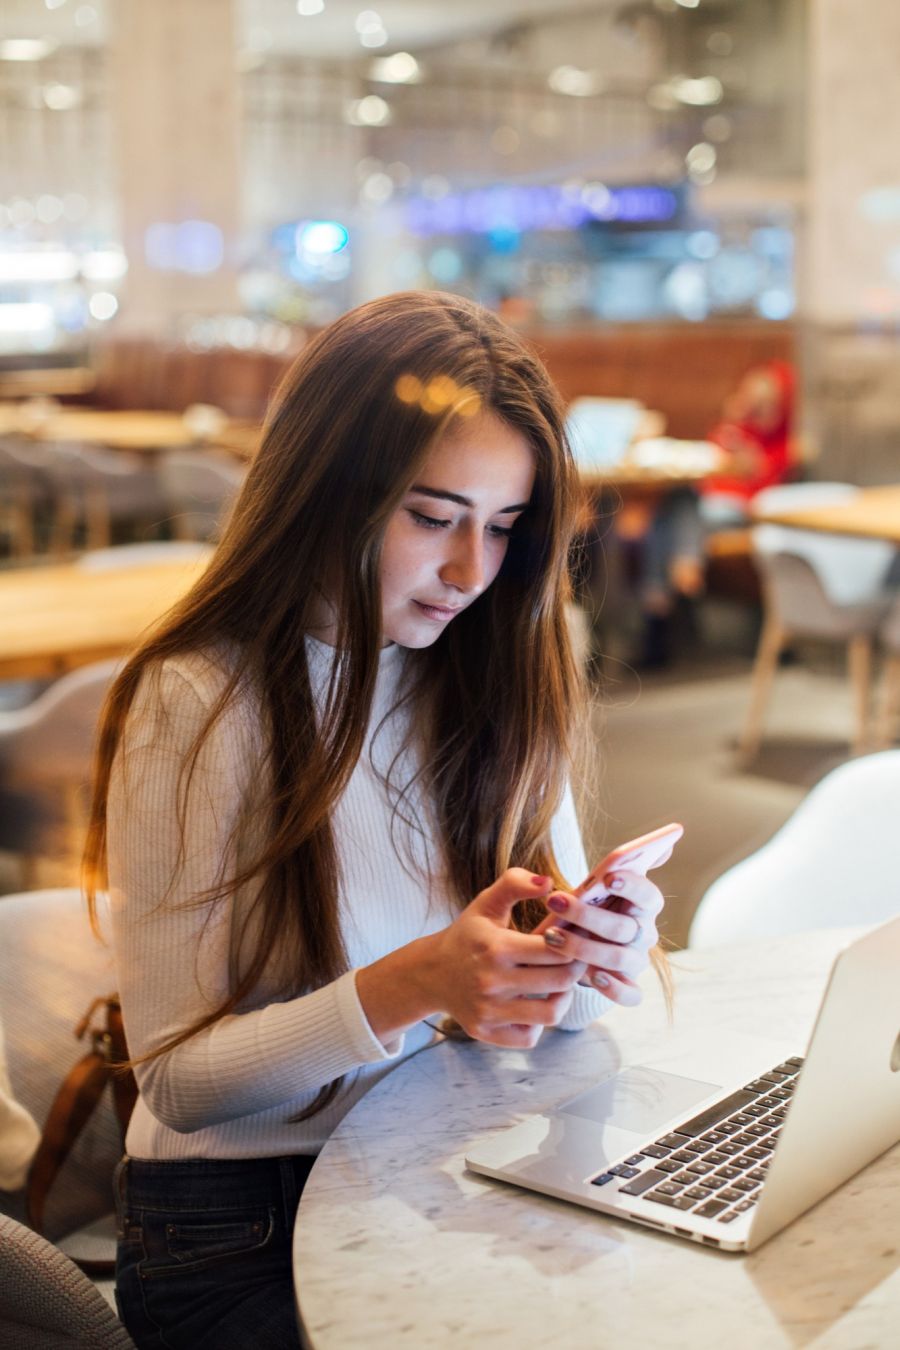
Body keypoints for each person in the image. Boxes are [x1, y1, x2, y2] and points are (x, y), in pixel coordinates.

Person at [84, 291, 668, 1349]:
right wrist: (420, 982)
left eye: (502, 529)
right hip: (236, 1224)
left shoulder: (493, 667)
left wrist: (588, 954)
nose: (469, 574)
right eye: (434, 517)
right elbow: (178, 1082)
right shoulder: (200, 699)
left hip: (439, 1151)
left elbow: (553, 1013)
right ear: (326, 492)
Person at [634, 358, 796, 666]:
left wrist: (750, 452)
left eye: (766, 403)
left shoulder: (784, 441)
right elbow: (715, 451)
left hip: (745, 511)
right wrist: (734, 420)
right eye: (754, 400)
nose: (759, 409)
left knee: (676, 508)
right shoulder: (739, 429)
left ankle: (658, 608)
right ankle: (685, 566)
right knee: (678, 502)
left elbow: (764, 476)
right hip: (711, 504)